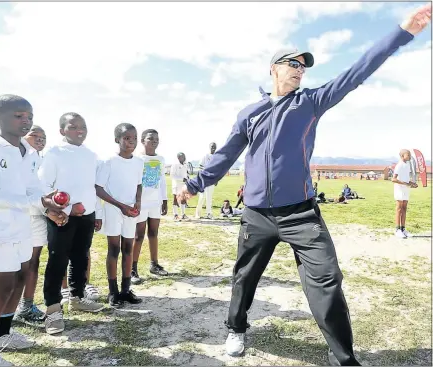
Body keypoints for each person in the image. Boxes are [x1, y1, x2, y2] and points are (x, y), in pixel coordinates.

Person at [178, 6, 431, 365]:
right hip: (257, 215)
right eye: (292, 64)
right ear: (273, 68)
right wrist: (196, 183)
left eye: (303, 66)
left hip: (301, 213)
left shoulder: (310, 102)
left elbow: (358, 70)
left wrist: (403, 32)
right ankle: (236, 328)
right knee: (244, 278)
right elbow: (226, 154)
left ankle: (343, 356)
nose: (299, 71)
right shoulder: (250, 113)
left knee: (327, 280)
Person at [0, 95, 66, 363]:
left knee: (19, 280)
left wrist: (47, 205)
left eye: (30, 116)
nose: (26, 121)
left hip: (22, 227)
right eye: (19, 116)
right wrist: (26, 201)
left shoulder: (27, 151)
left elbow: (33, 188)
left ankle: (2, 335)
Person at [38, 112, 104, 335]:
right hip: (61, 216)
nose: (80, 130)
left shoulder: (91, 155)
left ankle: (77, 297)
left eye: (83, 126)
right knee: (58, 260)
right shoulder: (54, 154)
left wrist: (95, 212)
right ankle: (53, 309)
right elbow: (43, 189)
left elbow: (92, 186)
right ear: (62, 131)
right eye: (73, 126)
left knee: (81, 256)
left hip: (87, 215)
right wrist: (66, 208)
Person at [95, 123, 143, 307]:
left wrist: (137, 202)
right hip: (113, 210)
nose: (131, 142)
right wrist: (120, 205)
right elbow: (98, 189)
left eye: (134, 138)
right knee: (114, 249)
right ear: (117, 140)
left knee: (128, 249)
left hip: (130, 211)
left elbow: (139, 184)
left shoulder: (138, 162)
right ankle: (113, 291)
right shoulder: (108, 162)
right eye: (127, 138)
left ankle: (125, 289)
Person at [14, 125, 49, 325]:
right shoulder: (12, 156)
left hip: (36, 215)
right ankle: (6, 309)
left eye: (44, 137)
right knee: (12, 265)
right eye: (35, 135)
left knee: (32, 262)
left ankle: (26, 306)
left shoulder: (39, 159)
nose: (40, 140)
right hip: (17, 217)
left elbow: (39, 190)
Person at [131, 129, 168, 285]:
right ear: (142, 140)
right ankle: (132, 269)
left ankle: (154, 264)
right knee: (138, 236)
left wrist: (164, 199)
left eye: (156, 139)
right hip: (141, 202)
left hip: (155, 202)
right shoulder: (137, 158)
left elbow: (162, 180)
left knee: (153, 233)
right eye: (150, 138)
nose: (154, 141)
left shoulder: (160, 159)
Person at [392, 149, 418, 238]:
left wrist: (411, 183)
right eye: (408, 155)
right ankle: (397, 229)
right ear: (402, 156)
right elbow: (393, 179)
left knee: (404, 209)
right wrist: (405, 183)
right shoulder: (399, 165)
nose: (410, 156)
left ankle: (403, 229)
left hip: (406, 189)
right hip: (399, 189)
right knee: (399, 209)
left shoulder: (407, 165)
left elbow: (406, 179)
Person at [195, 142, 217, 219]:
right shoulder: (205, 156)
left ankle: (209, 213)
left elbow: (217, 170)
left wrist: (216, 179)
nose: (213, 148)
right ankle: (198, 213)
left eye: (214, 146)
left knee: (209, 197)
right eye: (212, 146)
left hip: (211, 180)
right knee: (202, 196)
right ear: (209, 147)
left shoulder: (216, 157)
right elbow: (200, 167)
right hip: (204, 179)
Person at [170, 152, 189, 221]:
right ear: (178, 158)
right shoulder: (175, 165)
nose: (184, 158)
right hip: (176, 184)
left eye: (184, 156)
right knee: (175, 199)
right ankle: (175, 215)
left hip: (183, 185)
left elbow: (186, 174)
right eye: (182, 157)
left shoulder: (185, 164)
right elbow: (172, 175)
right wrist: (181, 179)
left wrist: (187, 179)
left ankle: (183, 214)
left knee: (183, 199)